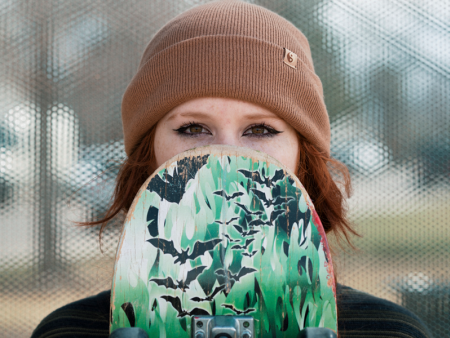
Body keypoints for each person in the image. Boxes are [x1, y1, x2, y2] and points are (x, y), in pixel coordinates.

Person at [31, 1, 432, 337]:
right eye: (192, 128)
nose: (224, 152)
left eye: (260, 129)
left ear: (302, 158)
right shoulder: (68, 332)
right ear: (147, 153)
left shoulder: (388, 331)